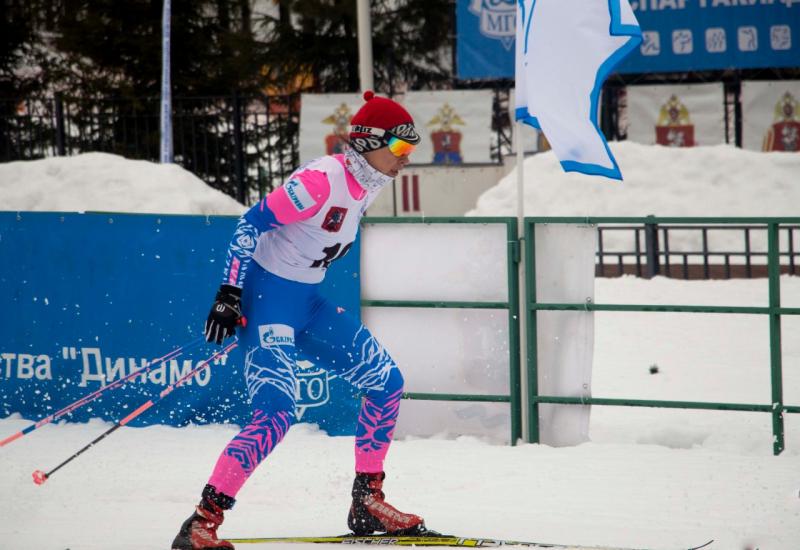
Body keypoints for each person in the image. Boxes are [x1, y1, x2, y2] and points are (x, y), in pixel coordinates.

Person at [171, 91, 425, 550]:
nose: (407, 160)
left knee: (386, 381)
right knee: (276, 414)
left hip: (305, 303)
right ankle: (201, 523)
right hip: (267, 302)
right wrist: (229, 293)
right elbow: (251, 223)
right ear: (369, 142)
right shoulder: (322, 179)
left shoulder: (366, 185)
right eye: (402, 148)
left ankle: (366, 501)